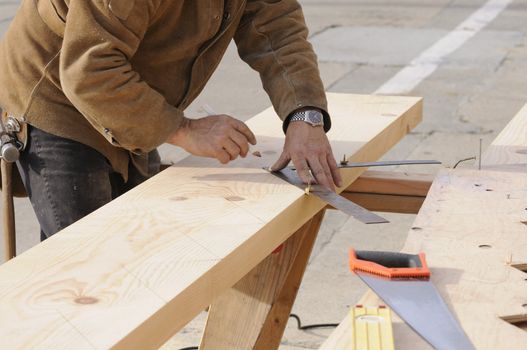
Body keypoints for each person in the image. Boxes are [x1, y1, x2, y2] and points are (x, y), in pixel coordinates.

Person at [0, 0, 342, 241]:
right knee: (85, 267)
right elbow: (90, 71)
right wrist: (183, 130)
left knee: (140, 248)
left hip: (130, 92)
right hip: (57, 99)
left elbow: (278, 31)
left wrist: (304, 116)